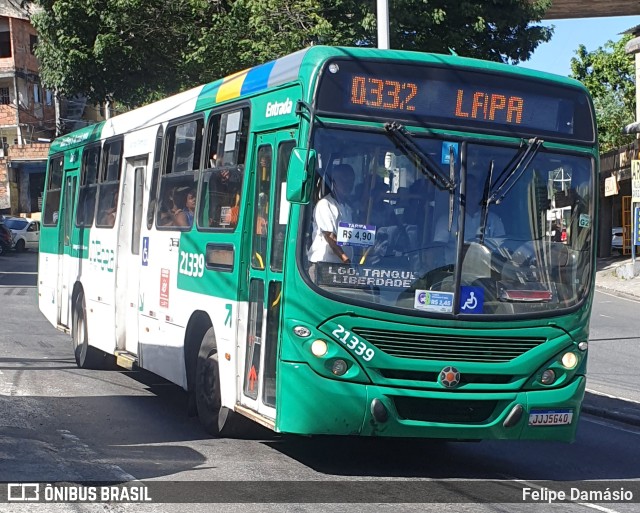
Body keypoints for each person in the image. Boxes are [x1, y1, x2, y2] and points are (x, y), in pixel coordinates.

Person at [307, 164, 355, 265]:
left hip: (341, 266)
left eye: (351, 181)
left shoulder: (347, 208)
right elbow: (330, 237)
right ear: (334, 181)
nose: (347, 184)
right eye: (343, 180)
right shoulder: (325, 204)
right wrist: (346, 259)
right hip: (323, 265)